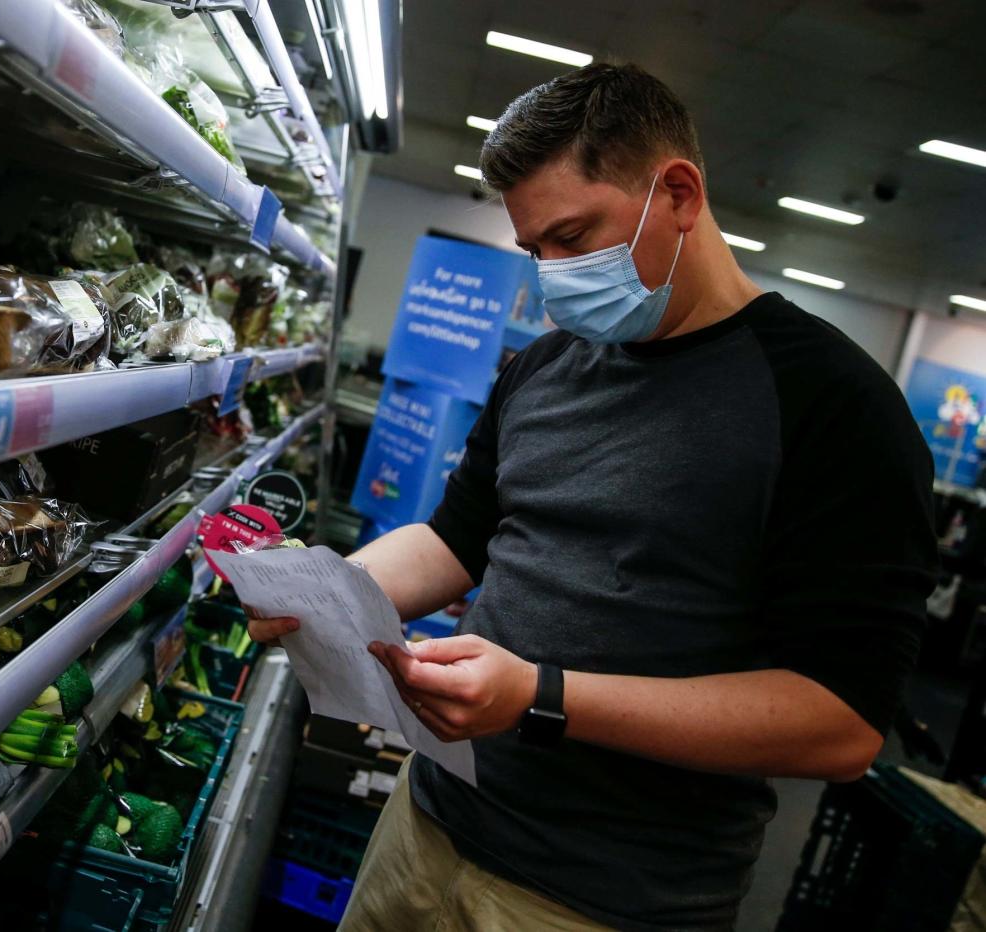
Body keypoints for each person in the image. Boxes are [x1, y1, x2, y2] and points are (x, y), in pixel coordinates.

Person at [249, 62, 938, 931]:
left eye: (573, 239)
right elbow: (458, 539)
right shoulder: (545, 366)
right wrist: (328, 590)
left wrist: (542, 695)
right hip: (426, 832)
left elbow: (840, 723)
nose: (552, 279)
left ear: (678, 193)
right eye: (535, 250)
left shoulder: (833, 408)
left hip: (604, 901)